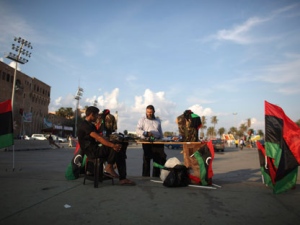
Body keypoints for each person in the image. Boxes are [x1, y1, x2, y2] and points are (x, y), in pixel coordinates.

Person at [77, 106, 120, 178]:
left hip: (94, 148)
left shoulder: (91, 125)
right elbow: (98, 138)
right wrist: (112, 145)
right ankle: (109, 167)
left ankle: (111, 166)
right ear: (92, 114)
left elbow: (101, 136)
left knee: (116, 145)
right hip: (91, 151)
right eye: (97, 115)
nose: (97, 117)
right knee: (114, 146)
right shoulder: (84, 125)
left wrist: (111, 139)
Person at [96, 110, 136, 185]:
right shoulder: (95, 126)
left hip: (104, 146)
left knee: (121, 148)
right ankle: (111, 167)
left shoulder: (104, 127)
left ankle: (120, 175)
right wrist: (112, 144)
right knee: (117, 147)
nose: (111, 125)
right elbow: (98, 139)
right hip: (98, 148)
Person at [136, 105, 167, 177]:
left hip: (157, 142)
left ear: (154, 112)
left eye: (151, 112)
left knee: (157, 161)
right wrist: (146, 133)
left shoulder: (158, 120)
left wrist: (162, 140)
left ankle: (156, 177)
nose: (149, 113)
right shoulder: (142, 120)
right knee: (146, 161)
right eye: (147, 112)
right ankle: (145, 178)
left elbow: (160, 132)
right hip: (147, 142)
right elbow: (138, 130)